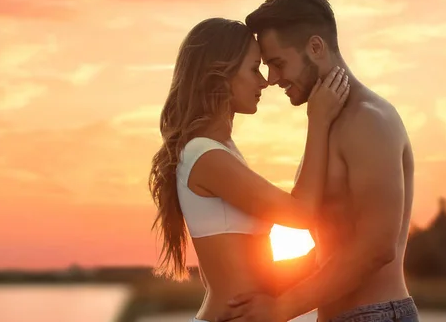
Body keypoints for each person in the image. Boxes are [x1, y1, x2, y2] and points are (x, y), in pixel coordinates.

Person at [215, 0, 419, 322]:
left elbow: (377, 246)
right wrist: (259, 285)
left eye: (278, 64)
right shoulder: (330, 121)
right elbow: (334, 250)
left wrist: (282, 308)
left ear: (315, 47)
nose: (273, 80)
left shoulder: (368, 119)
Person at [148, 17, 349, 322]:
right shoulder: (204, 155)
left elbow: (252, 270)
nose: (265, 81)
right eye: (254, 68)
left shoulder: (220, 151)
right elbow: (301, 213)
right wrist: (318, 121)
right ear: (221, 75)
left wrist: (332, 253)